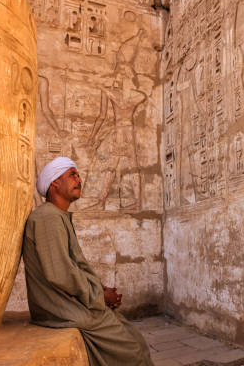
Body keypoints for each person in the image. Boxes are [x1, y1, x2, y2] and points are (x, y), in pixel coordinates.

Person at [22, 157, 154, 366]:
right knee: (131, 351)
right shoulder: (47, 218)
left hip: (75, 302)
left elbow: (75, 266)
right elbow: (61, 274)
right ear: (55, 183)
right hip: (60, 308)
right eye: (72, 175)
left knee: (133, 337)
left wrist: (102, 290)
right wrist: (100, 296)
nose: (79, 179)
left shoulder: (58, 216)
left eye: (78, 174)